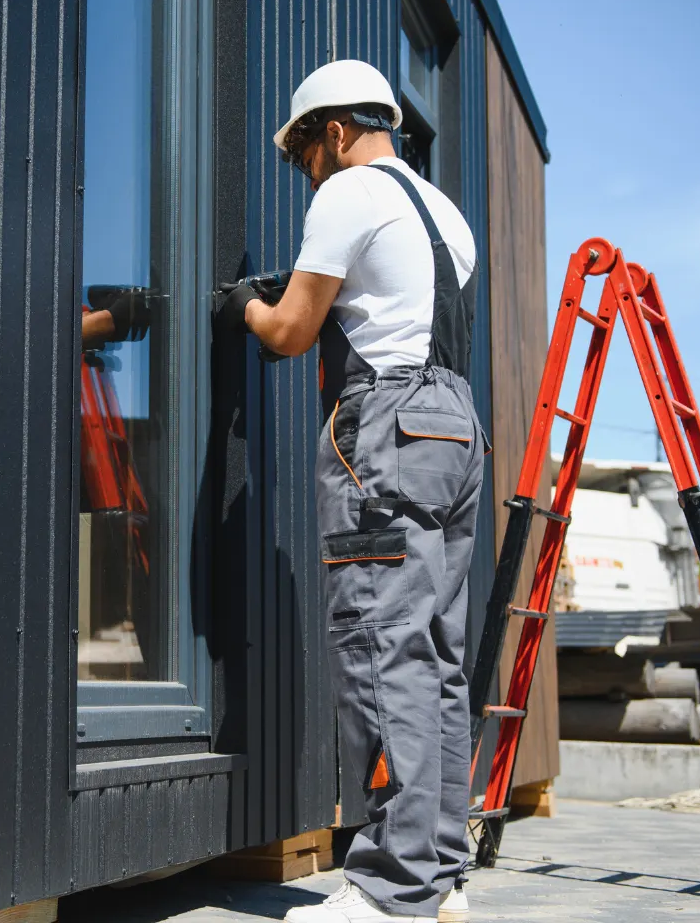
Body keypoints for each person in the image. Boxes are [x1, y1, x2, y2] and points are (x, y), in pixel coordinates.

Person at [214, 60, 485, 923]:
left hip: (387, 426)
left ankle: (387, 889)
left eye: (304, 156)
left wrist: (243, 308)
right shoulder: (444, 212)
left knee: (378, 642)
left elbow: (293, 331)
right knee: (435, 654)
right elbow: (386, 307)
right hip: (455, 426)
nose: (307, 174)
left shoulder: (348, 193)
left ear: (333, 132)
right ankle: (440, 873)